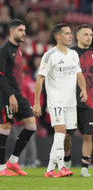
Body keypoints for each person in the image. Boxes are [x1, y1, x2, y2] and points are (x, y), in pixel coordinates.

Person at [33, 23, 87, 178]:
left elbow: (79, 74)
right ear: (58, 36)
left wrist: (83, 89)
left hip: (71, 102)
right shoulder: (50, 56)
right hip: (56, 100)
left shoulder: (73, 54)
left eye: (70, 33)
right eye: (67, 33)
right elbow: (39, 80)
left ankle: (50, 169)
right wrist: (37, 103)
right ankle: (62, 167)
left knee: (65, 135)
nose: (71, 36)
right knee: (60, 132)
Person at [63, 24, 93, 177]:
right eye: (86, 34)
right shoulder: (68, 53)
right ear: (78, 37)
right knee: (67, 135)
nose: (89, 37)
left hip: (88, 103)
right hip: (70, 101)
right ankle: (67, 162)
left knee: (88, 136)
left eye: (91, 34)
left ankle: (84, 169)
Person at [0, 19, 36, 176]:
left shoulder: (19, 49)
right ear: (12, 31)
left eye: (25, 30)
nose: (24, 33)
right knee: (4, 130)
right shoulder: (4, 49)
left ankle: (13, 161)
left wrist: (18, 95)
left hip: (20, 96)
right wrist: (11, 96)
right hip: (7, 96)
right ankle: (1, 168)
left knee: (31, 127)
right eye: (21, 30)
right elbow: (0, 75)